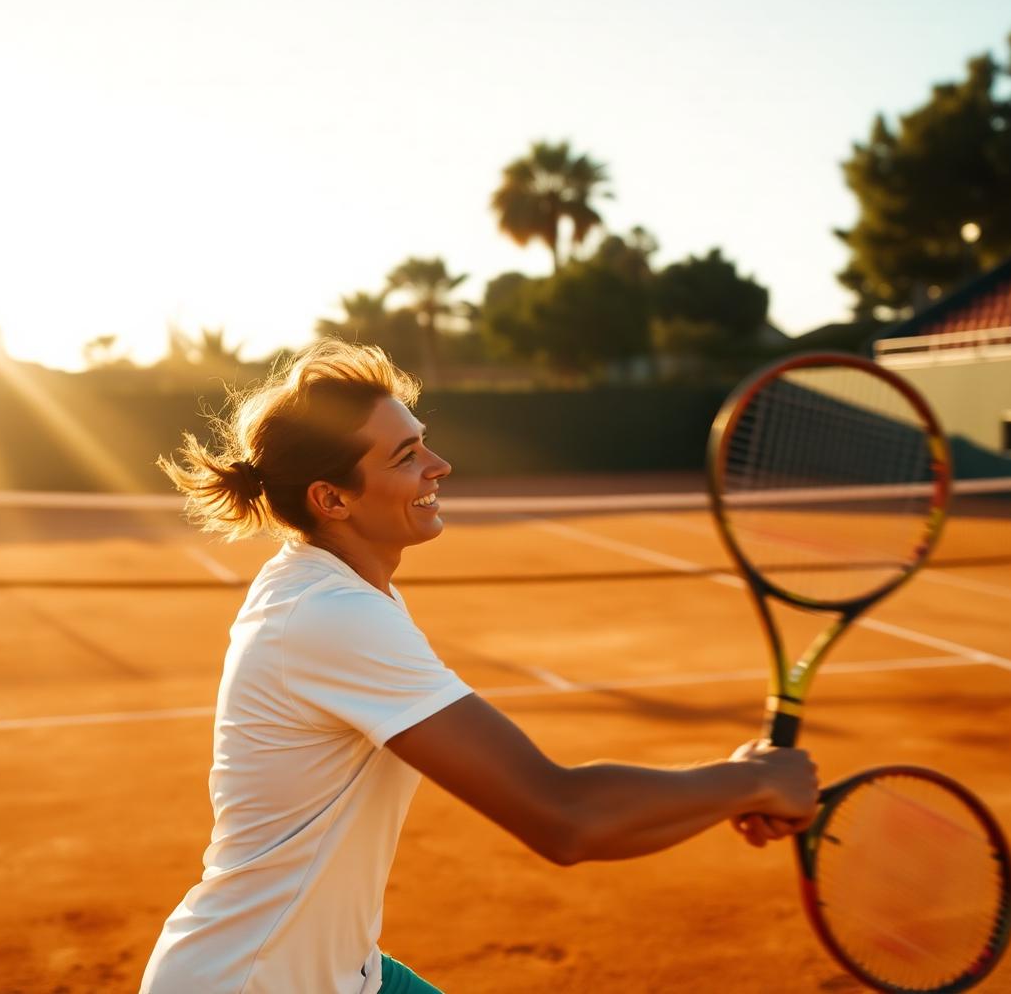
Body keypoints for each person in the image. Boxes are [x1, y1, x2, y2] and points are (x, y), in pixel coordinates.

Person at [140, 340, 818, 994]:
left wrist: (744, 790)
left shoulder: (328, 587)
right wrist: (752, 780)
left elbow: (572, 819)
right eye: (407, 456)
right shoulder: (331, 616)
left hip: (343, 974)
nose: (439, 465)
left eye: (423, 441)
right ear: (332, 500)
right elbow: (565, 818)